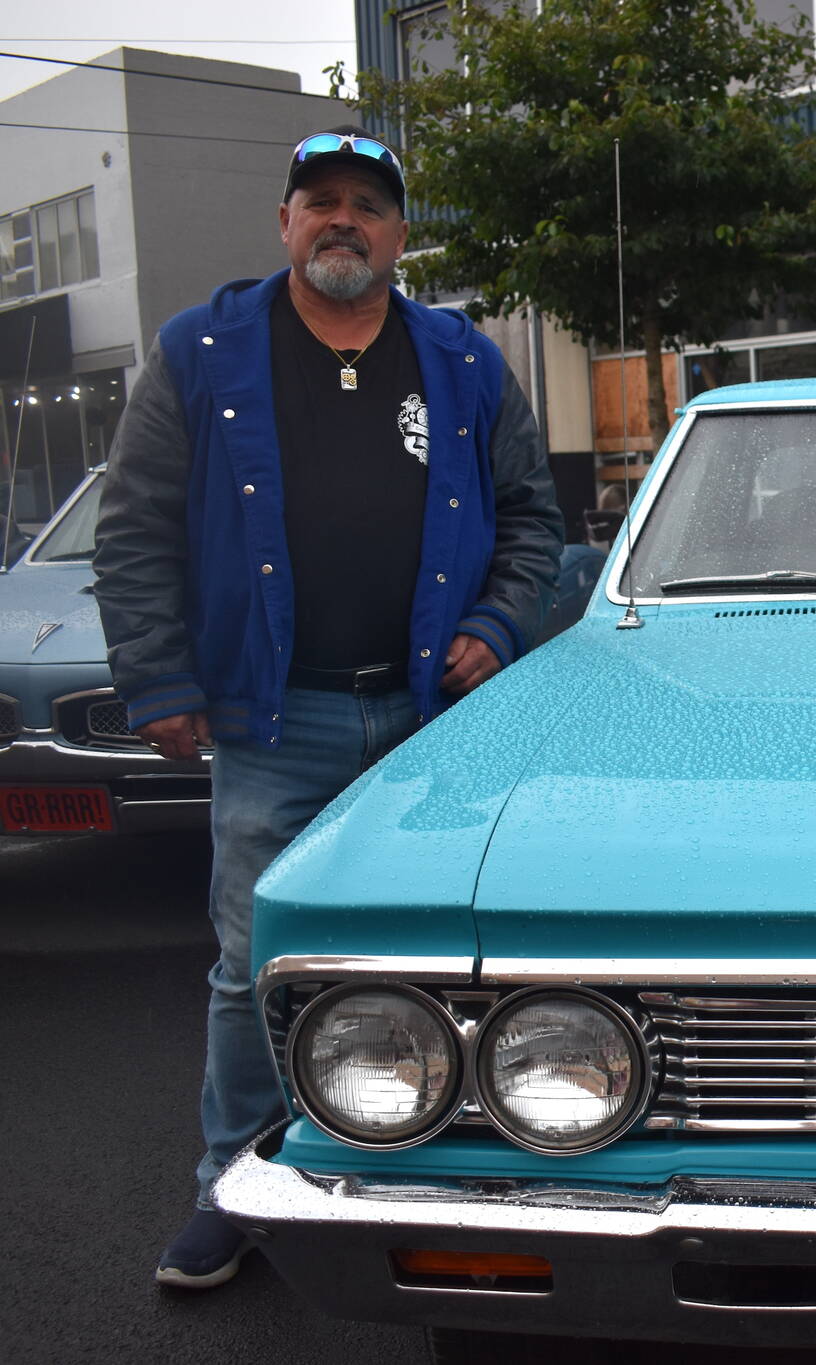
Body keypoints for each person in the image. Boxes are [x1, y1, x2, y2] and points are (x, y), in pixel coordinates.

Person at [93, 126, 563, 1290]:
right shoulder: (201, 353)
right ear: (286, 222)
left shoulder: (460, 361)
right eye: (320, 202)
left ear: (401, 234)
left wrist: (496, 625)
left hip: (430, 722)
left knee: (452, 957)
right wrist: (158, 678)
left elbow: (531, 521)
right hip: (274, 718)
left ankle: (440, 1163)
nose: (342, 219)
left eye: (367, 203)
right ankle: (234, 1187)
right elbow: (136, 525)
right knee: (258, 962)